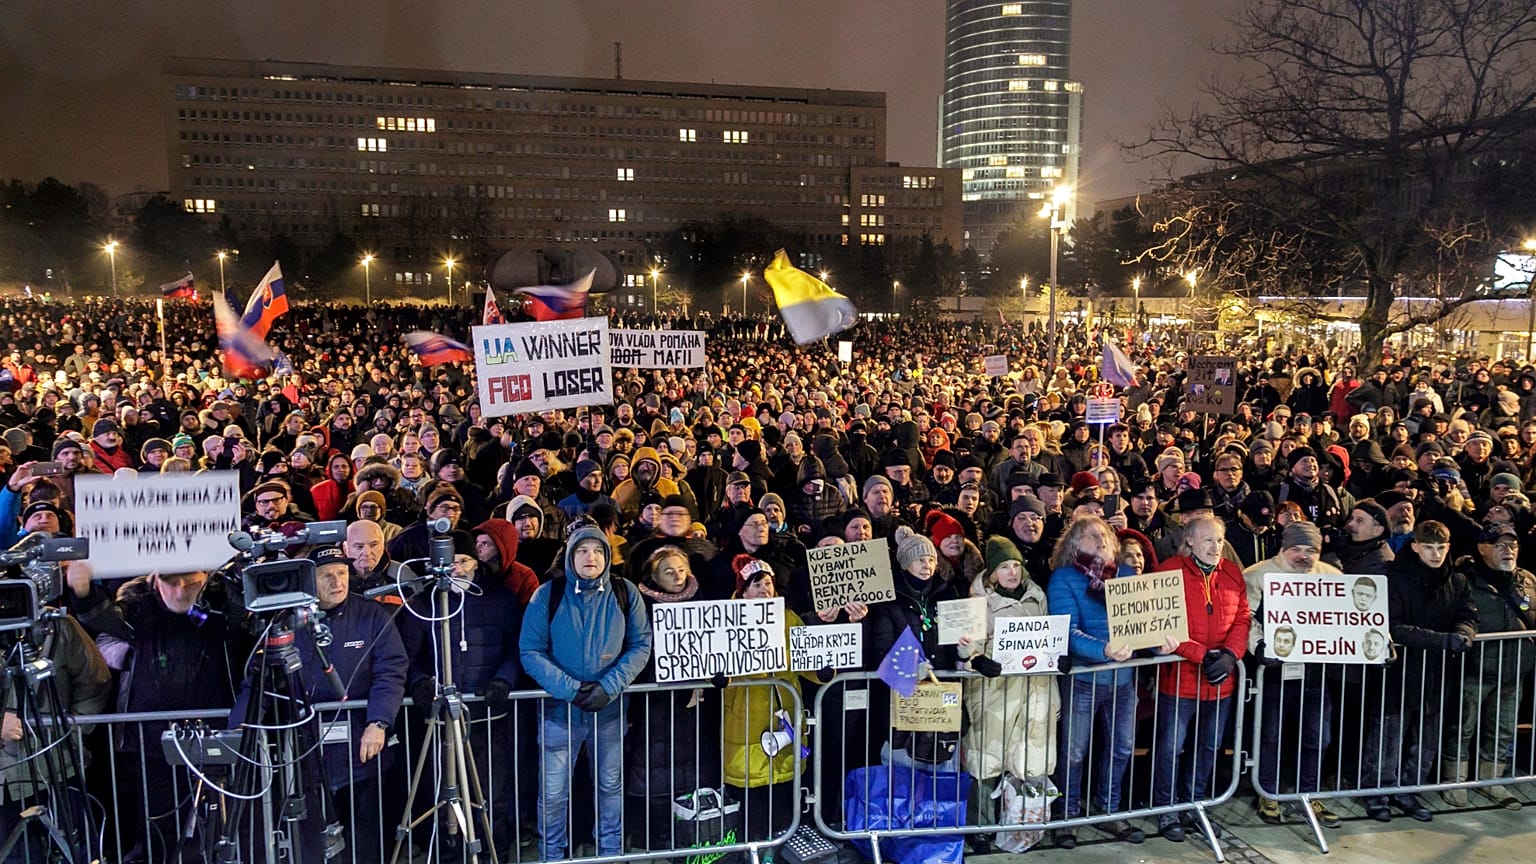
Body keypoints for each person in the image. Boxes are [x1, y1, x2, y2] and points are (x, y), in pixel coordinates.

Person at [230, 546, 407, 860]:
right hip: (304, 754)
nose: (337, 582)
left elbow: (391, 671)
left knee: (366, 840)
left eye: (342, 573)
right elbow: (259, 683)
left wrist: (379, 722)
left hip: (362, 753)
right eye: (327, 575)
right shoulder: (285, 622)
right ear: (309, 580)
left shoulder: (371, 615)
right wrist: (237, 732)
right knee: (312, 843)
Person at [519, 524, 651, 861]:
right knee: (553, 793)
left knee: (609, 787)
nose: (590, 557)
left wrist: (609, 686)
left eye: (597, 551)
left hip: (609, 712)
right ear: (570, 556)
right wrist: (571, 690)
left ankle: (610, 852)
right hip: (558, 713)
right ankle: (552, 854)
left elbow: (640, 644)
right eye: (581, 550)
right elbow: (530, 650)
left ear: (607, 556)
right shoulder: (548, 595)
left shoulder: (625, 593)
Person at [1358, 520, 1474, 820]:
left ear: (1448, 548)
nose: (1435, 554)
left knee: (1426, 738)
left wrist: (1464, 633)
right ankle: (1377, 793)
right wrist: (1442, 640)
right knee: (1389, 735)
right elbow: (1393, 626)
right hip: (1399, 670)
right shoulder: (1395, 578)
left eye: (1440, 548)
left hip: (1437, 671)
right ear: (1415, 547)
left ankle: (1409, 791)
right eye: (1429, 547)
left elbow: (1467, 615)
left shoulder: (1457, 580)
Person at [1045, 517, 1149, 847]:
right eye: (1092, 535)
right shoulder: (1063, 578)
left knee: (1122, 748)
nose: (1102, 539)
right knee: (1074, 752)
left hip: (1124, 680)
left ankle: (1109, 810)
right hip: (1083, 679)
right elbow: (1067, 631)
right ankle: (1067, 814)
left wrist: (1159, 643)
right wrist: (1103, 650)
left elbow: (1143, 625)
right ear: (1075, 544)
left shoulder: (1127, 575)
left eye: (1105, 534)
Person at [957, 536, 1064, 851]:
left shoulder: (1037, 597)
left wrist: (1059, 662)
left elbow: (1047, 641)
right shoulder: (978, 601)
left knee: (1028, 760)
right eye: (1004, 566)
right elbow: (966, 646)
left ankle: (1020, 825)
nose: (1012, 572)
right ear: (993, 572)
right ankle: (980, 826)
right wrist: (977, 660)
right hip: (994, 693)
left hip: (1034, 691)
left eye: (1016, 565)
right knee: (985, 760)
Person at [1153, 513, 1250, 842]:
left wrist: (1231, 655)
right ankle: (1166, 809)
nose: (1215, 546)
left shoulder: (1232, 572)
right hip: (1180, 679)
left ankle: (1194, 805)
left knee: (1208, 747)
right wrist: (1199, 653)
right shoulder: (1169, 571)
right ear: (1190, 540)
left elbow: (1243, 618)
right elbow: (1160, 623)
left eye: (1220, 540)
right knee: (1171, 748)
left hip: (1220, 681)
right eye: (1208, 539)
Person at [1241, 520, 1342, 828]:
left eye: (1311, 550)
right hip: (1273, 673)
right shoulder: (1257, 575)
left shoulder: (1331, 576)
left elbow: (1355, 617)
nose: (1303, 556)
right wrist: (1258, 646)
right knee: (1269, 736)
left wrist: (1378, 645)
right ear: (1284, 548)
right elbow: (1246, 618)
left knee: (1318, 737)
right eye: (1296, 549)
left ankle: (1309, 793)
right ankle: (1267, 792)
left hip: (1315, 672)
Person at [1448, 523, 1536, 810]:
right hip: (1476, 668)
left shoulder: (1527, 580)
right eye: (1500, 545)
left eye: (1513, 545)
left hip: (1515, 669)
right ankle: (1454, 780)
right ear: (1482, 548)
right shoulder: (1465, 579)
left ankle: (1491, 781)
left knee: (1502, 728)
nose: (1508, 550)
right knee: (1462, 726)